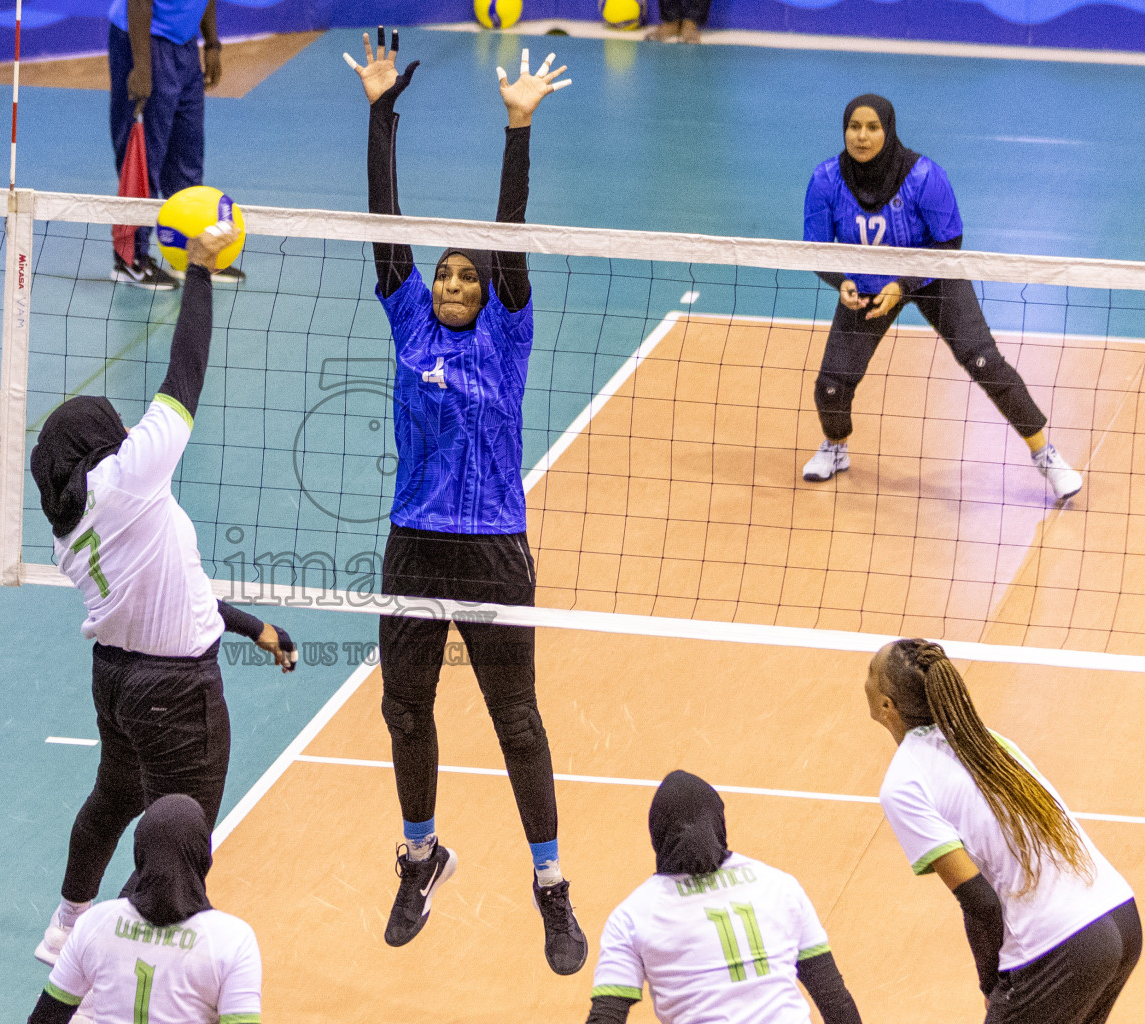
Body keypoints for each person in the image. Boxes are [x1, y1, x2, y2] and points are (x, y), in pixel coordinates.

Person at [343, 29, 587, 974]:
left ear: (488, 291)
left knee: (515, 719)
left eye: (464, 275)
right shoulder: (405, 312)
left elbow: (510, 229)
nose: (449, 280)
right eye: (443, 272)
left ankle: (550, 885)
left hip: (491, 547)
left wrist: (515, 129)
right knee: (406, 711)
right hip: (413, 542)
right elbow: (383, 224)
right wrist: (379, 115)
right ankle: (420, 854)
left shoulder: (507, 332)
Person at [28, 219, 297, 967]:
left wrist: (249, 628)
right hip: (176, 692)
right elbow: (185, 375)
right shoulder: (128, 479)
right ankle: (125, 959)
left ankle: (66, 925)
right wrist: (201, 271)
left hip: (117, 681)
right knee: (184, 837)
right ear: (99, 446)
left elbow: (172, 591)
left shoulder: (70, 527)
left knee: (113, 800)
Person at [801, 94, 1083, 502]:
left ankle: (1046, 455)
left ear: (889, 130)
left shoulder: (923, 175)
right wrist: (840, 281)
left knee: (985, 361)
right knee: (830, 386)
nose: (861, 136)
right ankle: (836, 447)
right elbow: (814, 247)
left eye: (872, 127)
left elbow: (949, 242)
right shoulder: (826, 179)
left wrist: (903, 284)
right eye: (854, 127)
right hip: (867, 283)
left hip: (934, 276)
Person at [866, 638, 1139, 1022]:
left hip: (1062, 944)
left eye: (871, 673)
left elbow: (979, 902)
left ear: (885, 705)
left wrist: (992, 986)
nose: (867, 678)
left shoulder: (905, 782)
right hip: (1120, 916)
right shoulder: (988, 741)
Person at [586, 771, 864, 1024]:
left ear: (656, 835)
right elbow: (834, 1000)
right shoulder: (780, 886)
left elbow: (606, 1017)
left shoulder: (632, 916)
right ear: (719, 823)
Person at [26, 794, 262, 1024]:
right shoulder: (232, 940)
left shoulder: (94, 923)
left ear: (139, 855)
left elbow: (45, 1018)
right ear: (203, 859)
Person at [107, 0, 245, 289]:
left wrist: (212, 44)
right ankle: (130, 259)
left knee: (187, 152)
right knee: (145, 155)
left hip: (184, 45)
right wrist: (142, 67)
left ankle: (189, 254)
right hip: (143, 40)